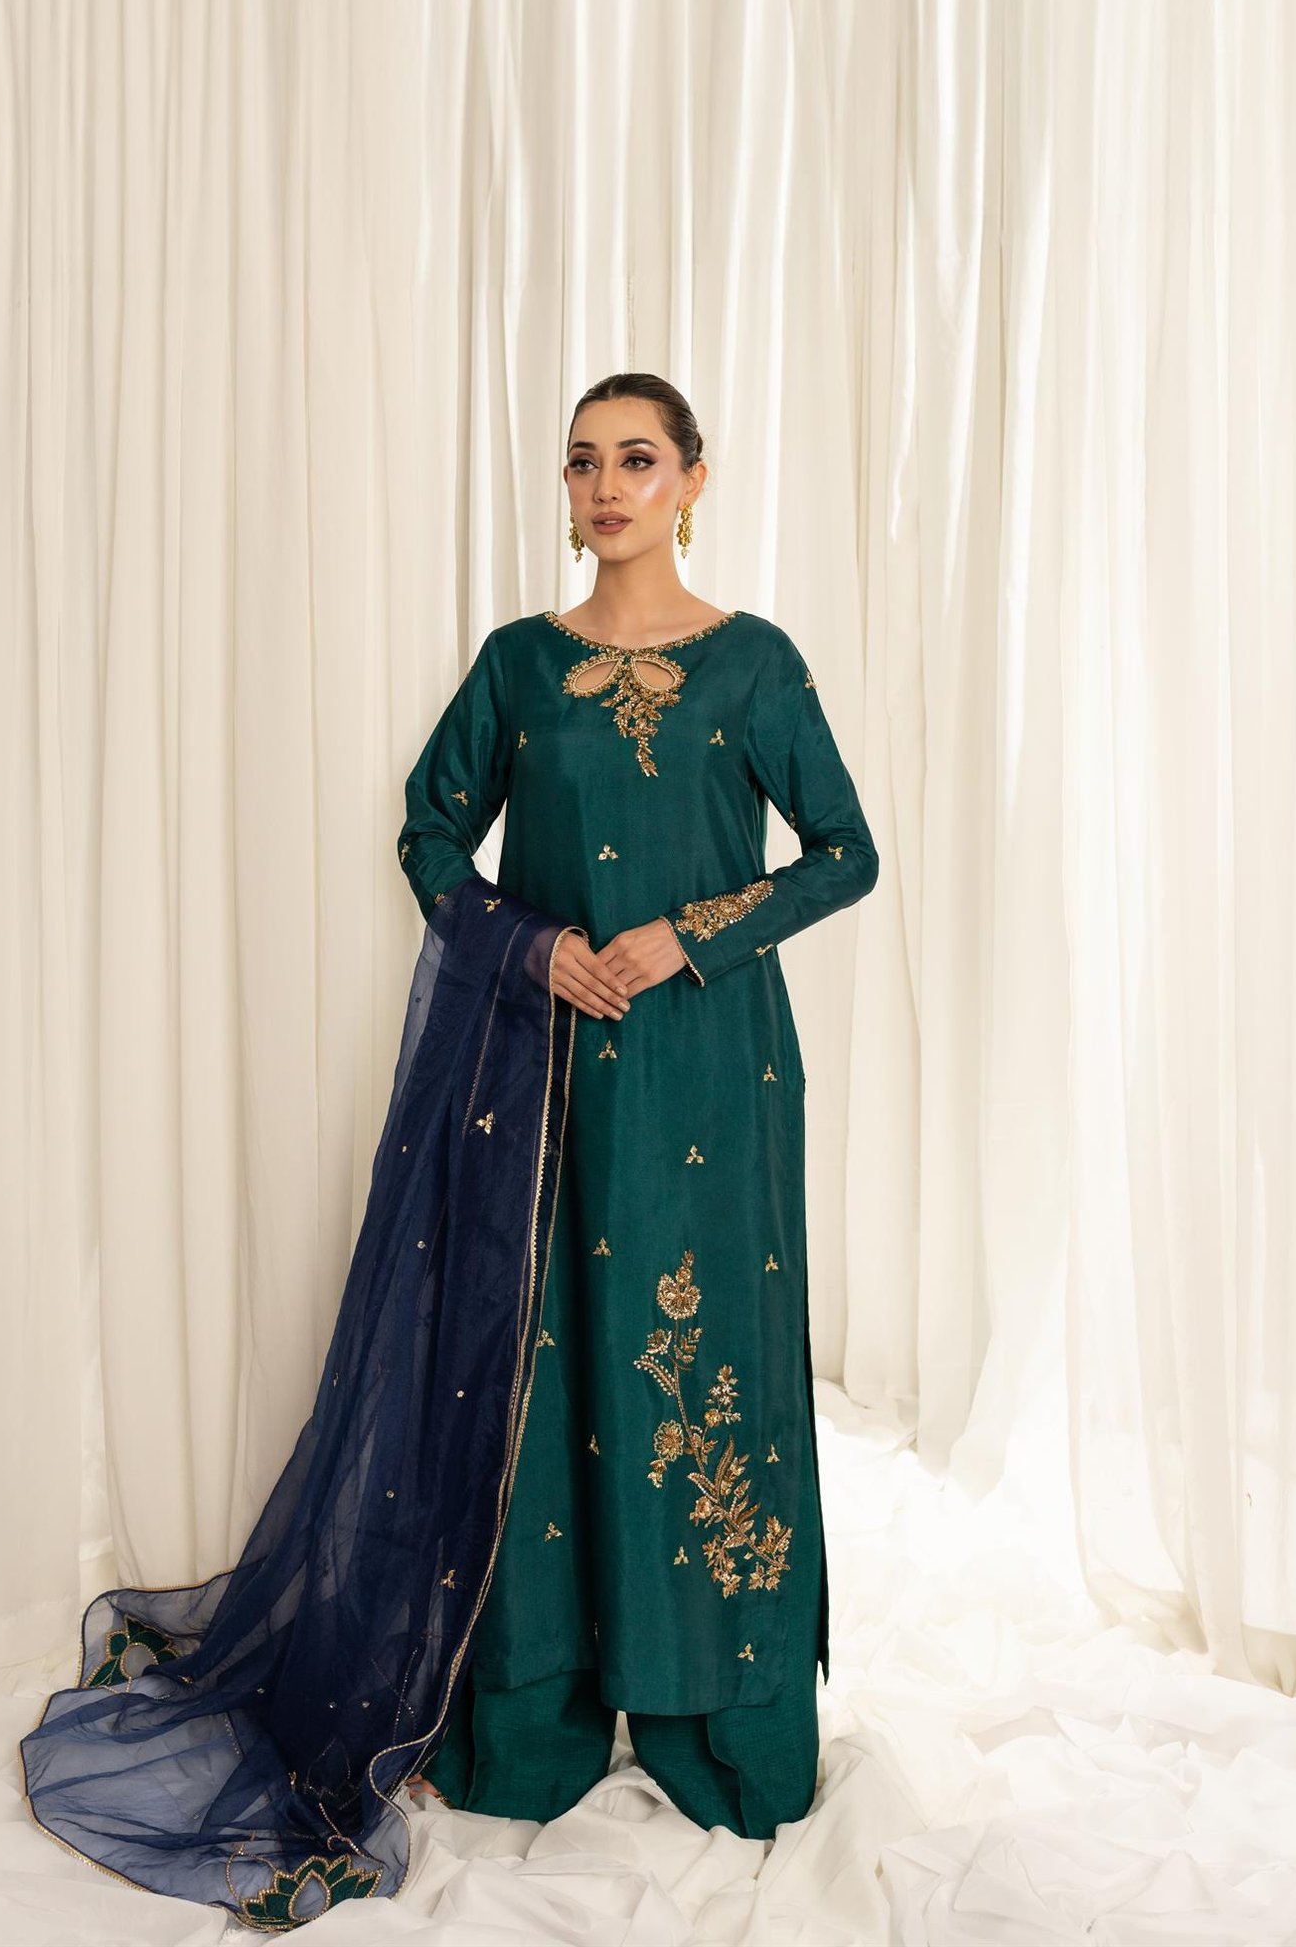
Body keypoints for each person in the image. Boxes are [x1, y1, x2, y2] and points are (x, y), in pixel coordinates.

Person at [399, 374, 879, 1839]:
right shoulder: (519, 666)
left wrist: (692, 932)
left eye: (638, 460)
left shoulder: (753, 664)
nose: (607, 487)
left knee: (701, 1352)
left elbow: (845, 852)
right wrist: (532, 945)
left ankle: (713, 1716)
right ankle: (533, 1718)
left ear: (691, 481)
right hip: (541, 1066)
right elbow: (429, 833)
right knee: (542, 1360)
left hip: (709, 1068)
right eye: (584, 462)